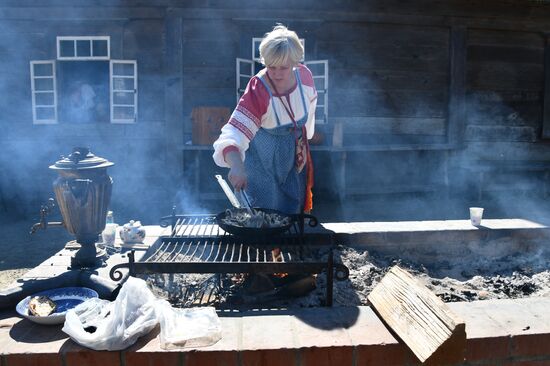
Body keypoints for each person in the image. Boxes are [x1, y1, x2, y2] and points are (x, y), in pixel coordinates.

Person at [213, 24, 318, 214]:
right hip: (261, 166)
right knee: (264, 220)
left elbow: (308, 117)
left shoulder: (306, 79)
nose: (276, 74)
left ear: (295, 63)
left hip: (293, 163)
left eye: (283, 68)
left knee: (293, 216)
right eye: (271, 67)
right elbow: (233, 133)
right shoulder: (259, 89)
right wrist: (237, 166)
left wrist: (305, 140)